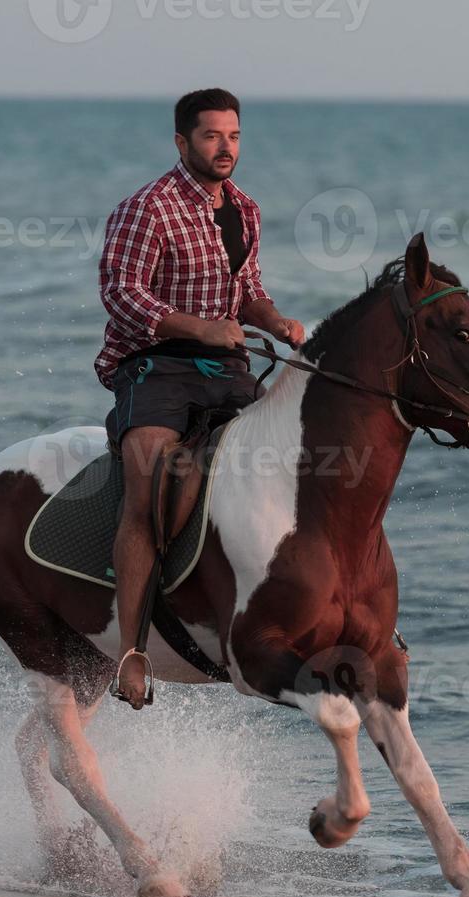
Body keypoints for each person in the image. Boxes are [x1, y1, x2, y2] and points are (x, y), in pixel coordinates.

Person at [95, 87, 305, 709]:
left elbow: (247, 291)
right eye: (212, 136)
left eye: (234, 136)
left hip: (227, 366)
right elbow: (122, 294)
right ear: (182, 141)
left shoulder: (244, 209)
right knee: (152, 483)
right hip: (153, 366)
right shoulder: (148, 208)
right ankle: (132, 651)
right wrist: (197, 327)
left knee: (293, 464)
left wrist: (274, 319)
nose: (225, 148)